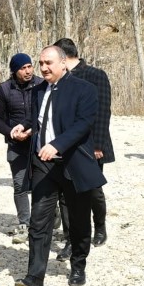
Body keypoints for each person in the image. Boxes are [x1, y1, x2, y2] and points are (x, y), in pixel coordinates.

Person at [13, 45, 107, 286]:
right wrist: (24, 127)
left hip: (73, 163)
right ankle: (35, 277)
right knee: (39, 221)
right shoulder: (38, 90)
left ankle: (78, 265)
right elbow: (38, 118)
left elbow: (83, 124)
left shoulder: (84, 89)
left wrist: (57, 144)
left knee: (78, 220)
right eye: (41, 63)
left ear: (63, 63)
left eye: (49, 63)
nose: (43, 68)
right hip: (44, 165)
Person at [54, 38, 114, 251]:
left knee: (93, 190)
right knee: (65, 193)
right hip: (64, 144)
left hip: (91, 144)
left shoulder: (96, 75)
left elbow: (103, 112)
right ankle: (71, 238)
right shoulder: (59, 79)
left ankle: (100, 226)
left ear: (64, 57)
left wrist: (98, 145)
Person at [0, 52, 37, 244]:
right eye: (23, 68)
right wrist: (11, 133)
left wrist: (31, 130)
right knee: (19, 184)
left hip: (40, 143)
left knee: (44, 183)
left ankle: (47, 217)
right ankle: (24, 223)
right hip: (16, 145)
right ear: (15, 71)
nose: (28, 71)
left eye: (30, 66)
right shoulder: (4, 89)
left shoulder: (42, 85)